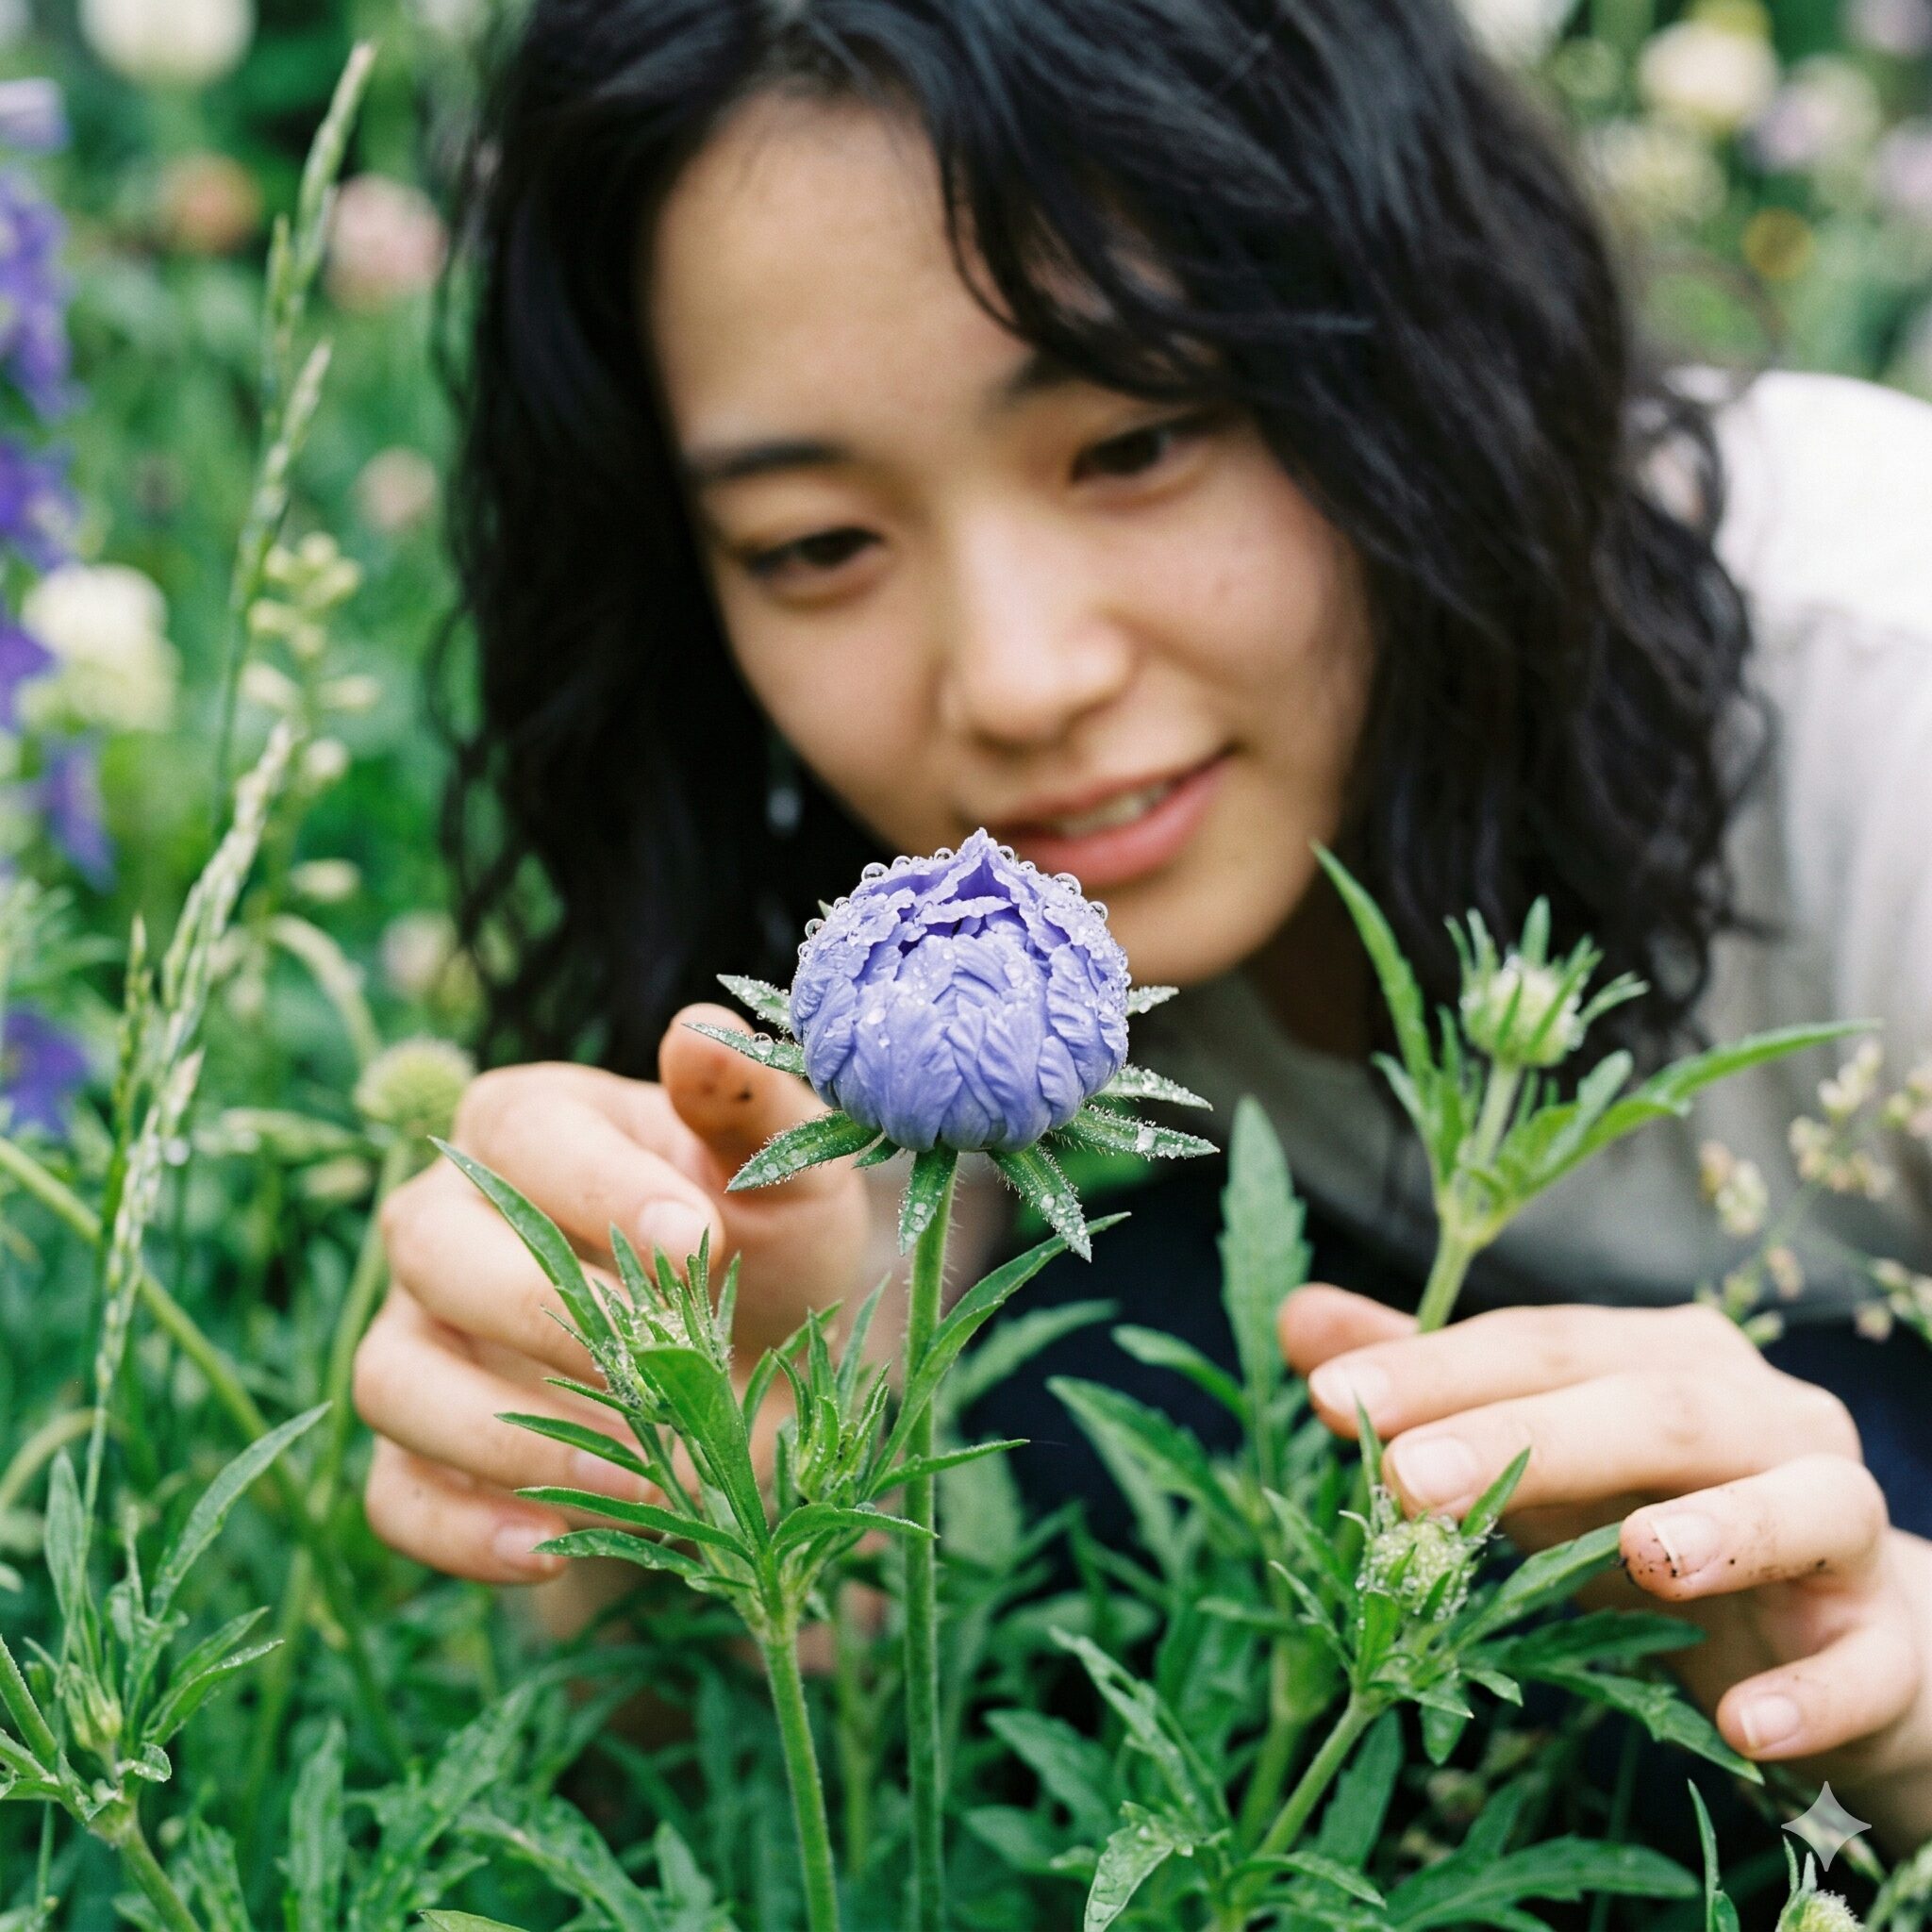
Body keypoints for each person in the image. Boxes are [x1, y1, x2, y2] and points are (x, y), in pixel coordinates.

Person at [351, 0, 1932, 1853]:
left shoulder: (1882, 705)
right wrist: (678, 1485)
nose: (1019, 684)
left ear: (1417, 352)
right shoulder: (836, 914)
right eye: (813, 545)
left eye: (1137, 438)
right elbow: (725, 1804)